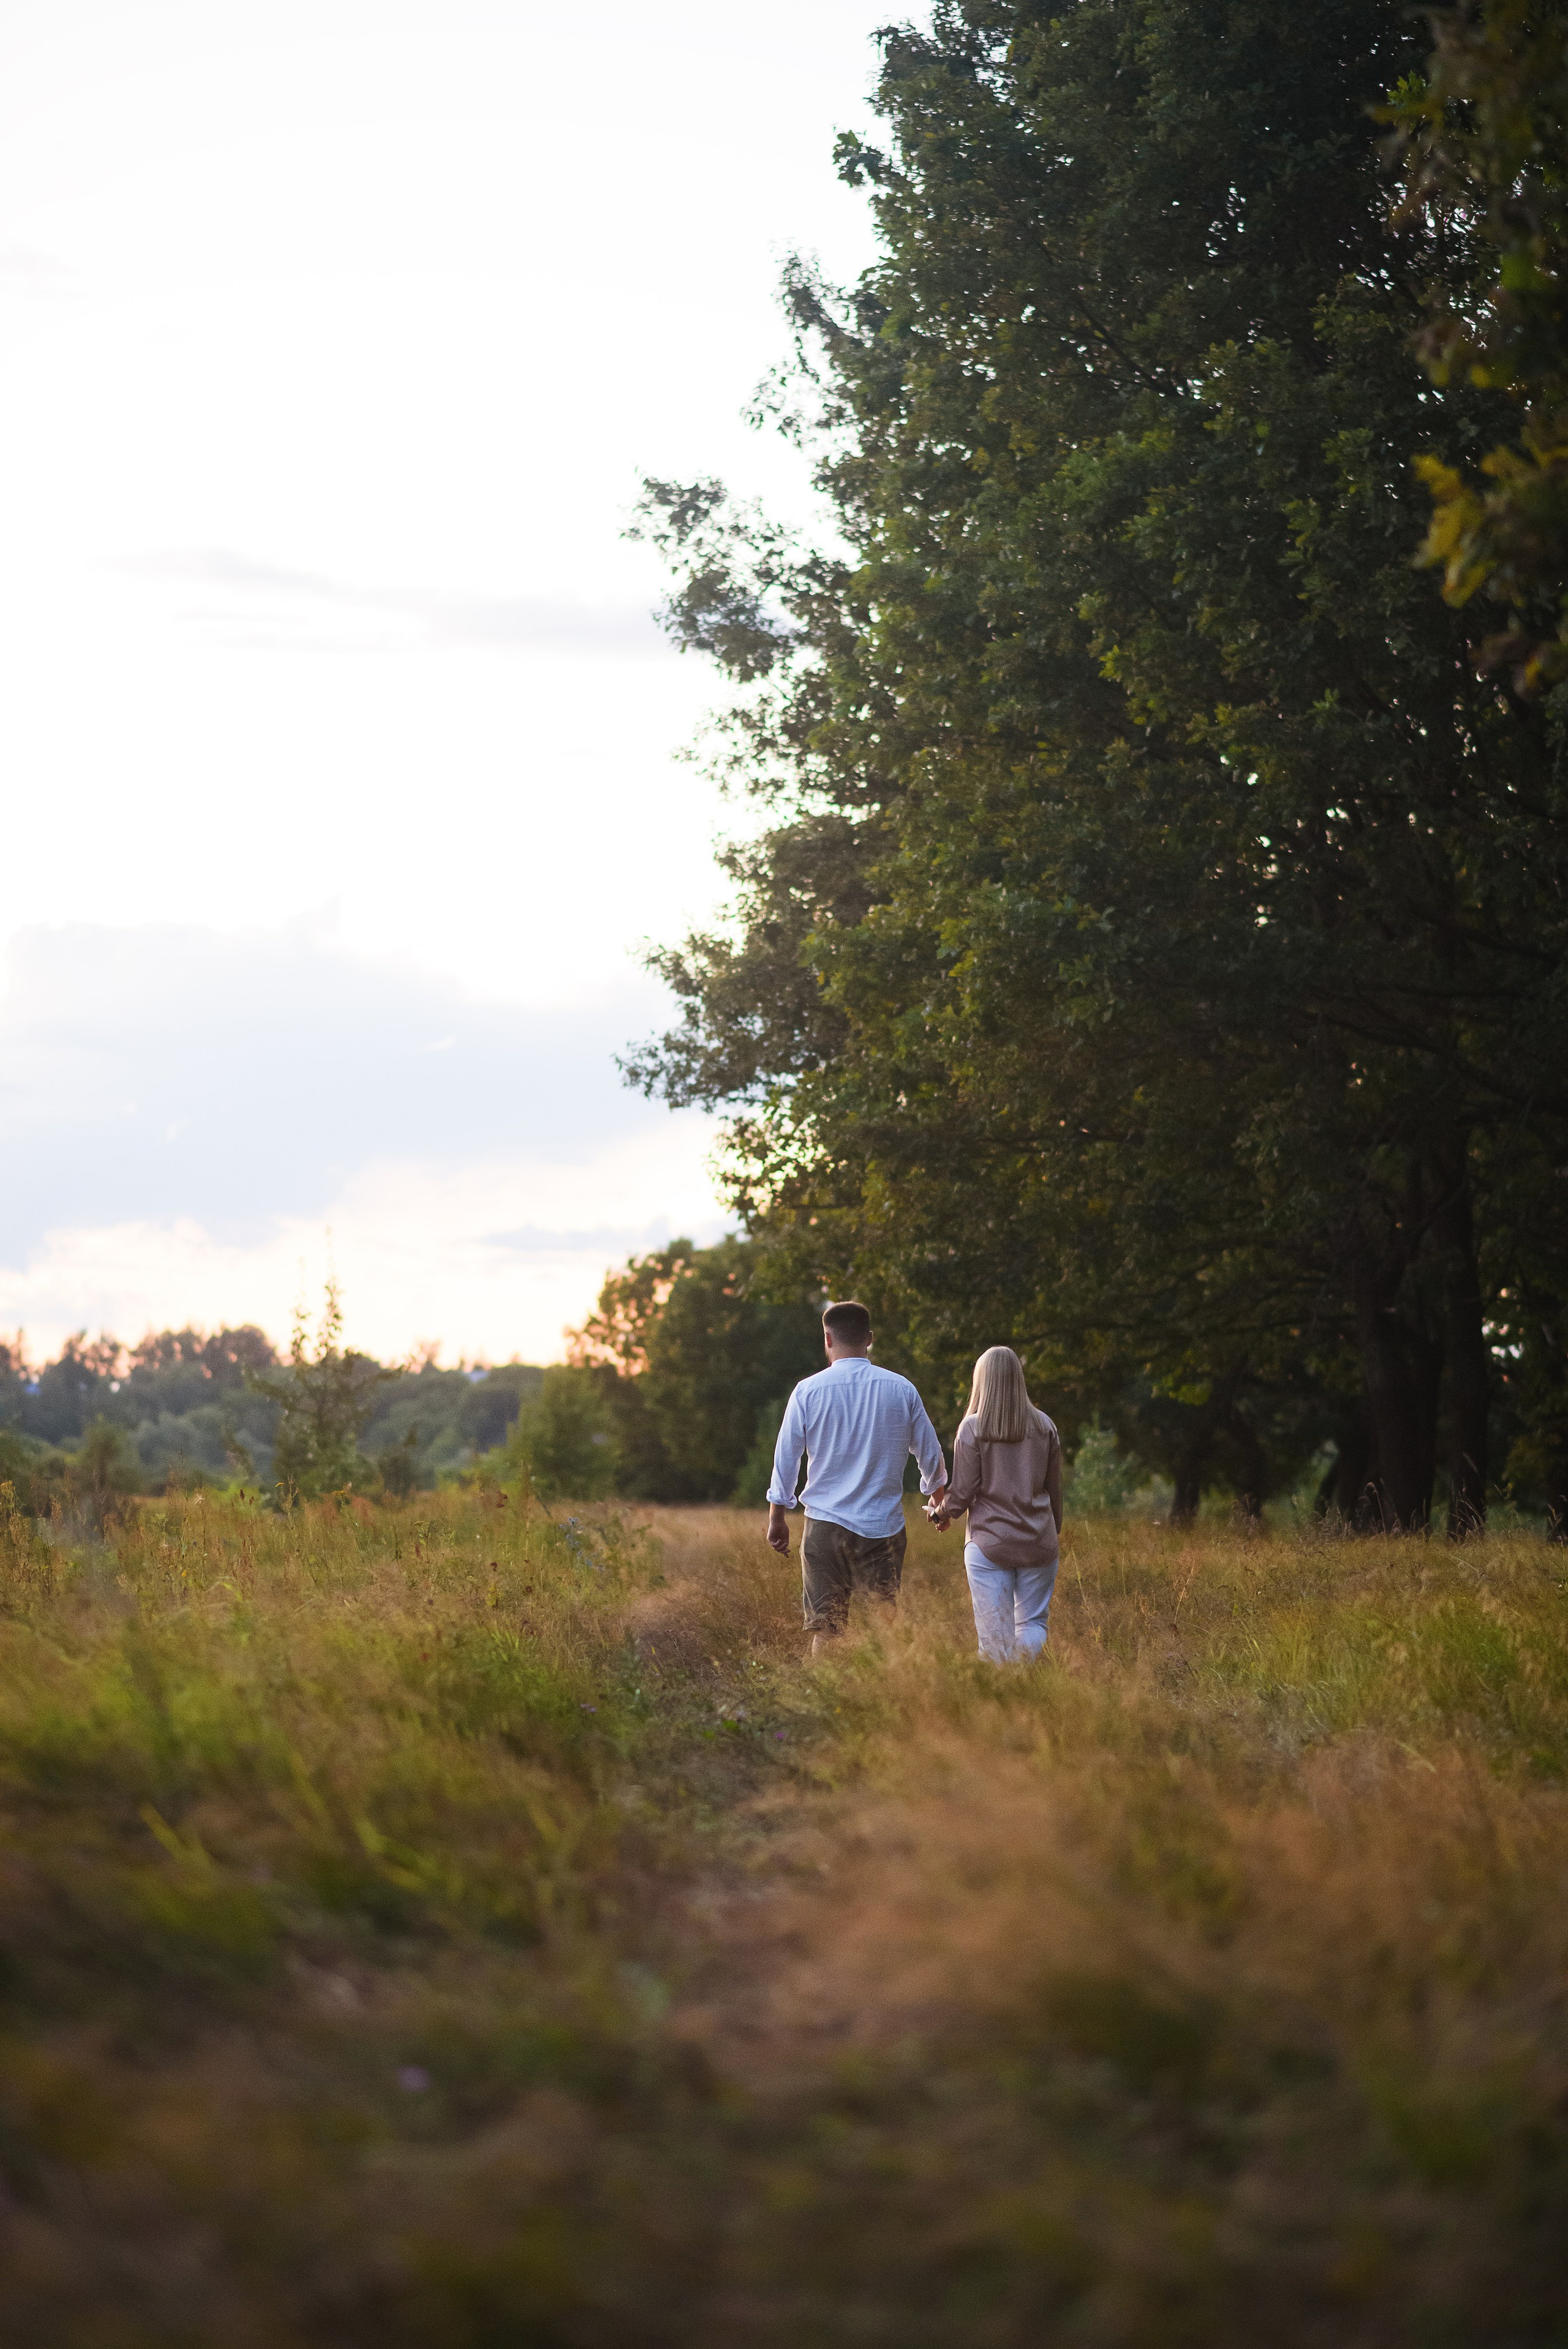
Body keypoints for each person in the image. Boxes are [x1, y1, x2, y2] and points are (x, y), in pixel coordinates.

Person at [767, 1300, 948, 1654]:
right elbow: (930, 1452)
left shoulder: (807, 1391)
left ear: (828, 1339)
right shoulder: (901, 1389)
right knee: (885, 1630)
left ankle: (822, 1705)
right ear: (869, 1339)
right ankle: (885, 1703)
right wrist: (939, 1501)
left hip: (824, 1526)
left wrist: (777, 1518)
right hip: (882, 1527)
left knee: (827, 1632)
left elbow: (786, 1458)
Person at [932, 1347, 1062, 1664]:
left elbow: (962, 1494)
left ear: (981, 1381)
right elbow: (1055, 1491)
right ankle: (1024, 1685)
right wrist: (1050, 1532)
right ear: (1019, 1379)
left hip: (990, 1544)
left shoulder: (972, 1428)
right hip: (1039, 1543)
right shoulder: (1045, 1426)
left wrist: (939, 1513)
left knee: (995, 1640)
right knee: (1032, 1624)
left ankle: (1001, 1700)